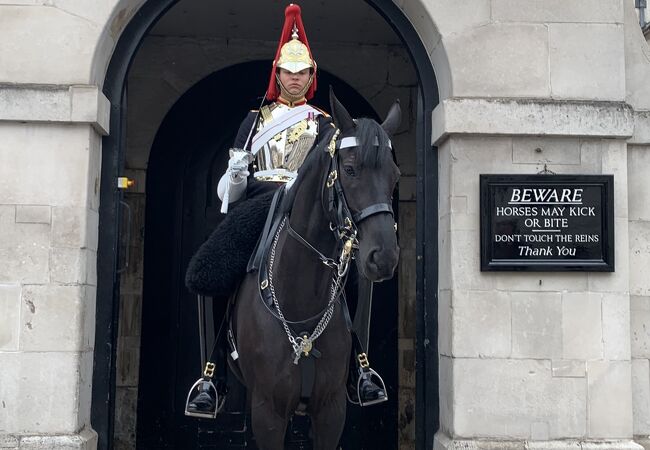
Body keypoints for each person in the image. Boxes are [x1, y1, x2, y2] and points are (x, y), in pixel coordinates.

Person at [185, 3, 386, 417]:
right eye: (288, 73)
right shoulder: (254, 120)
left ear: (311, 77)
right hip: (260, 204)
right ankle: (212, 375)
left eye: (302, 73)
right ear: (277, 75)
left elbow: (338, 175)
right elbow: (229, 190)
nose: (294, 79)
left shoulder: (326, 124)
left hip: (311, 210)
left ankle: (359, 369)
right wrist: (238, 172)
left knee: (353, 274)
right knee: (210, 267)